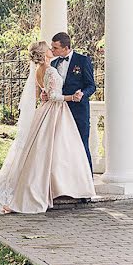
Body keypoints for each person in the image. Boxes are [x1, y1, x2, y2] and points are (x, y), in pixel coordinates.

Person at [0, 41, 95, 214]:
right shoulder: (49, 69)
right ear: (44, 53)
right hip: (55, 111)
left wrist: (46, 94)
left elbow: (45, 93)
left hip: (49, 110)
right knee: (52, 150)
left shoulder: (40, 70)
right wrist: (72, 97)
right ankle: (54, 188)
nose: (51, 49)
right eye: (49, 48)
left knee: (56, 150)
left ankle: (61, 188)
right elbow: (55, 95)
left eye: (53, 47)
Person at [46, 32, 96, 170]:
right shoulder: (53, 63)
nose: (52, 50)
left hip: (78, 111)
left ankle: (87, 180)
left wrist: (82, 93)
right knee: (61, 147)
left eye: (55, 48)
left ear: (66, 47)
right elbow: (53, 87)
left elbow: (91, 86)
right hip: (59, 111)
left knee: (81, 144)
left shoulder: (83, 60)